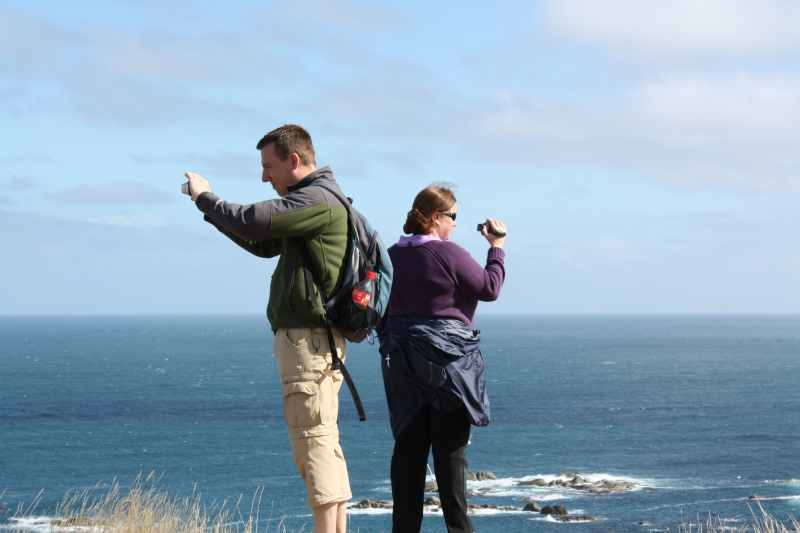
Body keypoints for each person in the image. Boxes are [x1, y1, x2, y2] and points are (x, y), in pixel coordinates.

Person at [183, 124, 352, 533]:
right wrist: (209, 210)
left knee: (312, 442)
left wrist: (206, 196)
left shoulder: (315, 200)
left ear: (294, 160)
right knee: (321, 441)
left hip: (308, 345)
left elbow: (256, 220)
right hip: (314, 343)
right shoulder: (316, 202)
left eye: (268, 166)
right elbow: (261, 241)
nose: (263, 177)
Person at [379, 185, 507, 533]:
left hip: (401, 365)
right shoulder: (448, 254)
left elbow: (379, 306)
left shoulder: (389, 255)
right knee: (450, 456)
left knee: (408, 454)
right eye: (453, 217)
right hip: (449, 368)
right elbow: (489, 288)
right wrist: (496, 248)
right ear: (436, 218)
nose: (454, 225)